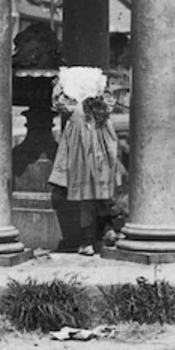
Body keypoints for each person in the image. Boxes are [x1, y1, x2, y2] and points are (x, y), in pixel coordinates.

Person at [48, 66, 119, 256]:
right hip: (102, 152)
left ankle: (88, 239)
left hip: (81, 153)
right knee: (103, 194)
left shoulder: (74, 107)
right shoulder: (101, 107)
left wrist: (62, 87)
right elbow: (111, 102)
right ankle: (106, 229)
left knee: (86, 198)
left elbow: (57, 104)